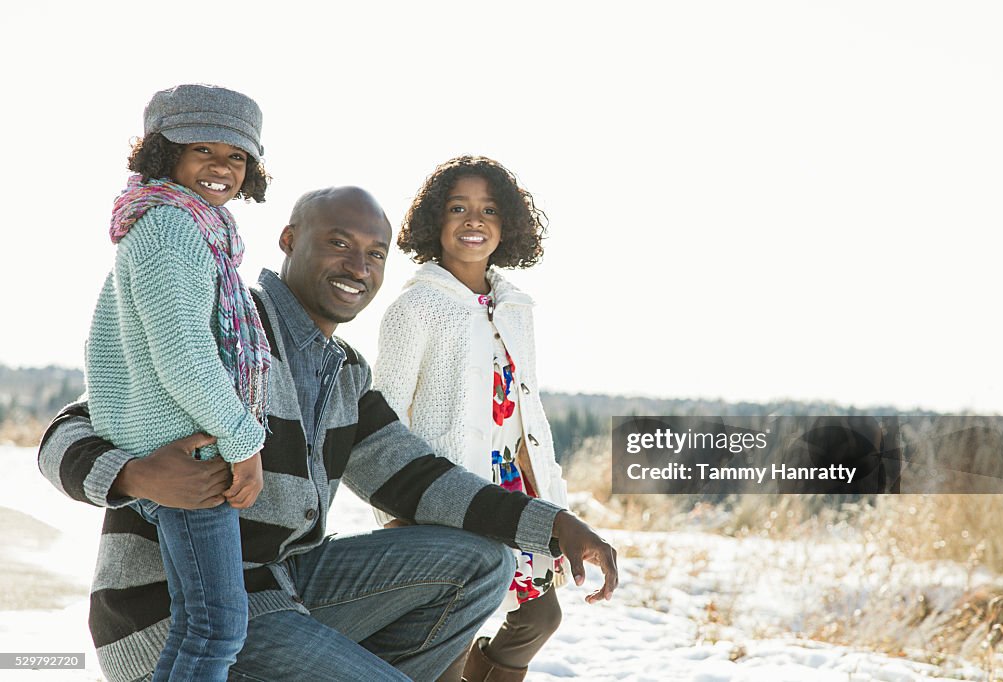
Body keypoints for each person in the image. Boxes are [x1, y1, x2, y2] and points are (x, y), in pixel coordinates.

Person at [39, 186, 618, 682]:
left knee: (481, 562)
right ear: (290, 240)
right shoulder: (230, 327)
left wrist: (552, 524)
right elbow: (69, 429)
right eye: (339, 243)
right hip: (174, 618)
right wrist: (135, 473)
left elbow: (417, 479)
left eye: (374, 254)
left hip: (283, 591)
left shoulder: (344, 372)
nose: (358, 268)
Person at [83, 83, 272, 681]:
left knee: (200, 622)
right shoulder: (170, 228)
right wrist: (245, 443)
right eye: (202, 150)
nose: (221, 167)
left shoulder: (190, 228)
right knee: (216, 625)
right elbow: (185, 359)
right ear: (164, 154)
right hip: (191, 454)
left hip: (185, 440)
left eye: (236, 156)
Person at [373, 155, 568, 681]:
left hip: (511, 487)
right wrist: (394, 508)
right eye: (458, 208)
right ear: (436, 221)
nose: (473, 220)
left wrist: (548, 495)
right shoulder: (414, 309)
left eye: (488, 210)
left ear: (508, 227)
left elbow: (527, 411)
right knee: (450, 642)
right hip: (444, 489)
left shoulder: (516, 309)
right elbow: (380, 420)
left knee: (539, 616)